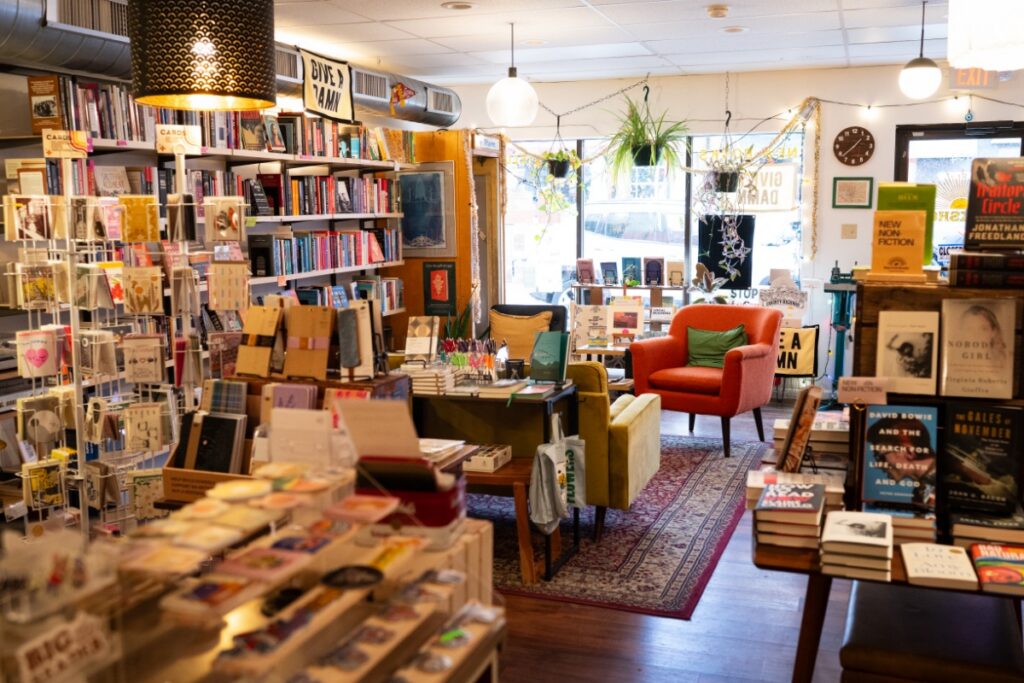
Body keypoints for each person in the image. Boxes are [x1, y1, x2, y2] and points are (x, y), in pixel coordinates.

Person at [866, 415, 936, 508]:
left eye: (881, 457)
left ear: (909, 452)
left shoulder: (943, 484)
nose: (878, 465)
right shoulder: (921, 490)